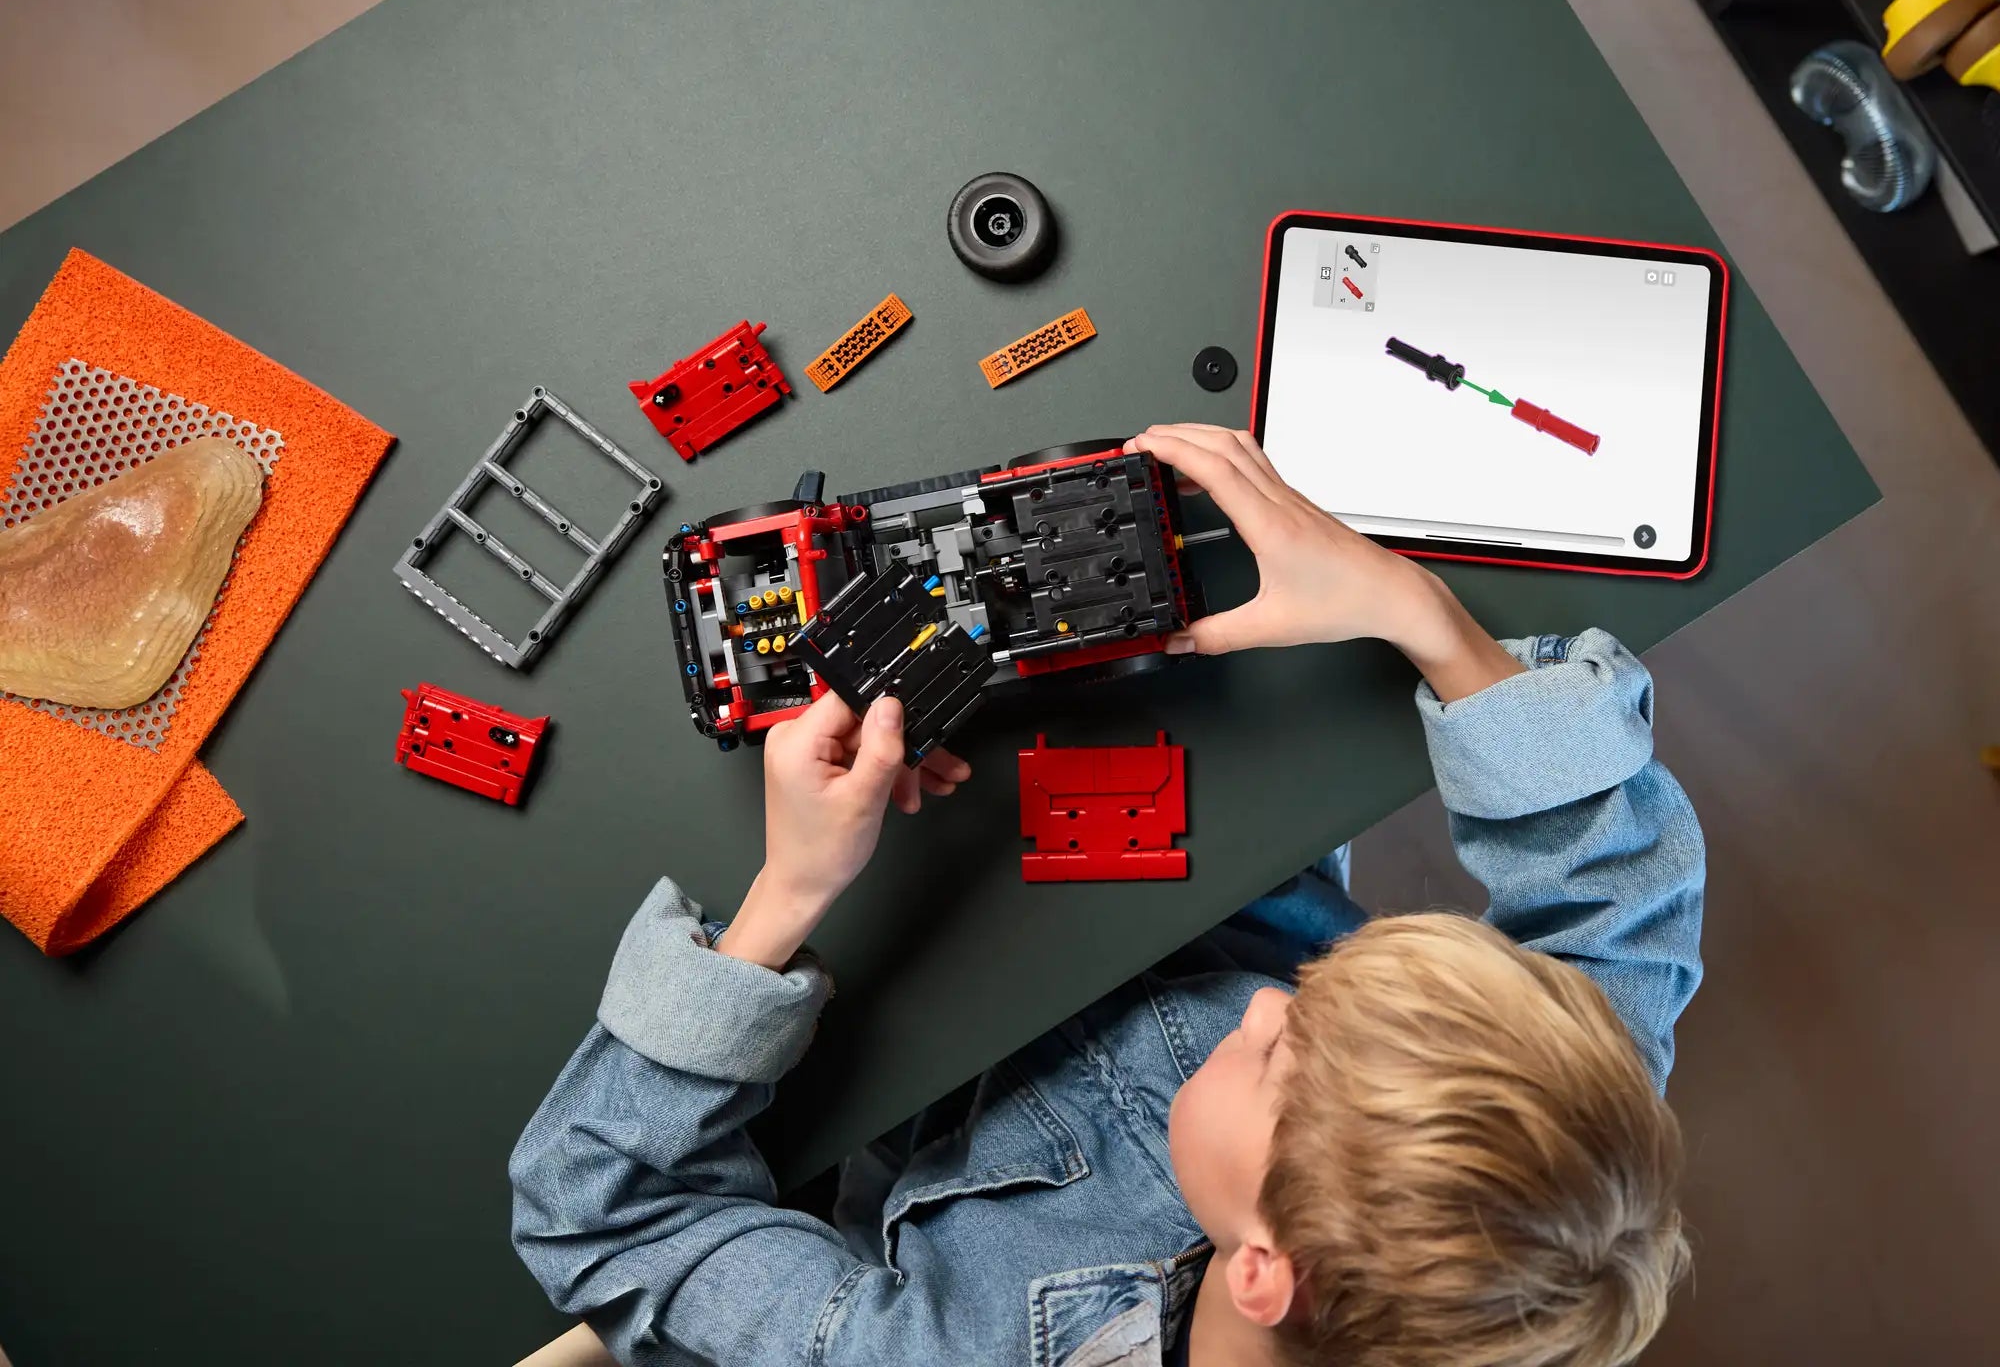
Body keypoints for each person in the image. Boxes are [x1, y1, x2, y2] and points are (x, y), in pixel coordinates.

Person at [510, 423, 1704, 1367]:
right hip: (1187, 832)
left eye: (1282, 1063)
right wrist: (1416, 613)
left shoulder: (948, 1352)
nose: (1267, 1008)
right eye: (1324, 1005)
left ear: (1260, 1272)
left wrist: (784, 895)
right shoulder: (1556, 1143)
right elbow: (1614, 889)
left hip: (909, 1007)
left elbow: (599, 1210)